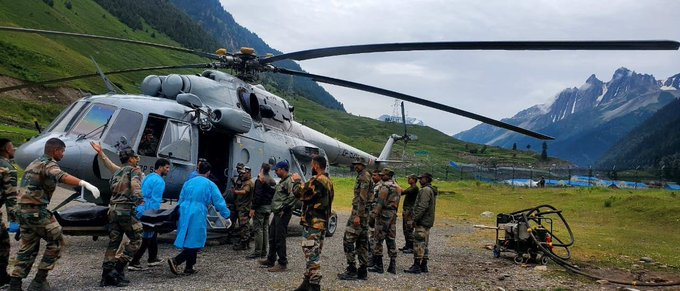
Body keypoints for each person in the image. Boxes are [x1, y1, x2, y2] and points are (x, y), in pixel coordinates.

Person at [9, 138, 100, 290]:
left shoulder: (34, 163)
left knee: (28, 246)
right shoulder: (49, 164)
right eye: (62, 151)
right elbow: (60, 176)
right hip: (37, 211)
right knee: (56, 241)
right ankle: (39, 281)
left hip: (23, 211)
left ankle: (15, 283)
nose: (63, 154)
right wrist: (84, 183)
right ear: (55, 150)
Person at [168, 161, 230, 275]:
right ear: (208, 172)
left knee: (189, 238)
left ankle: (189, 267)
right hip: (198, 211)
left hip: (184, 210)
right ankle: (176, 260)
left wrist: (178, 210)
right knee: (196, 239)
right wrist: (226, 215)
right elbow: (219, 201)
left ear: (198, 170)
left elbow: (181, 198)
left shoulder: (188, 182)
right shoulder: (209, 184)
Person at [100, 146, 144, 287]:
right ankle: (117, 271)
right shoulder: (134, 170)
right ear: (131, 159)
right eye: (136, 157)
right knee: (137, 238)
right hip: (125, 211)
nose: (137, 159)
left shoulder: (117, 172)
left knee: (114, 242)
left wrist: (101, 153)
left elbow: (109, 166)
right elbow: (135, 184)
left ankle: (105, 276)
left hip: (112, 211)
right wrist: (139, 198)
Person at [291, 155, 334, 291]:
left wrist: (296, 181)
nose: (311, 167)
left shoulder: (318, 180)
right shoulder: (328, 181)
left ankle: (315, 286)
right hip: (321, 224)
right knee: (312, 253)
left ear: (316, 165)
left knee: (312, 255)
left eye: (312, 164)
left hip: (313, 224)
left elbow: (300, 193)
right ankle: (306, 283)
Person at [128, 158, 171, 270]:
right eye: (167, 167)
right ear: (160, 167)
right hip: (148, 210)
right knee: (147, 236)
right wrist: (154, 216)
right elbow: (156, 201)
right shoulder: (160, 181)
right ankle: (134, 262)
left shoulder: (148, 177)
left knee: (152, 234)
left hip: (140, 207)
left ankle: (152, 258)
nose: (168, 170)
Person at [258, 161, 298, 272]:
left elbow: (293, 196)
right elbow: (276, 193)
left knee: (280, 238)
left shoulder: (289, 181)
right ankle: (271, 259)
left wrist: (284, 208)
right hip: (277, 212)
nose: (275, 171)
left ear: (283, 169)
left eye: (277, 169)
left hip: (283, 213)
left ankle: (282, 263)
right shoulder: (282, 181)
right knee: (272, 236)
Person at [338, 159, 373, 280]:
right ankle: (363, 271)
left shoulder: (363, 177)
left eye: (357, 165)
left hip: (359, 213)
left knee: (348, 240)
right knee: (362, 242)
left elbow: (362, 198)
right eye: (354, 165)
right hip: (364, 214)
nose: (355, 167)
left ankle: (352, 269)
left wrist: (358, 215)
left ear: (362, 165)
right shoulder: (365, 175)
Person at [369, 168, 401, 274]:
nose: (382, 176)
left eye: (384, 175)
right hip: (393, 214)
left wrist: (373, 216)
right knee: (391, 238)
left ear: (388, 176)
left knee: (378, 239)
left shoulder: (385, 186)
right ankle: (392, 264)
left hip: (383, 214)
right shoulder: (397, 187)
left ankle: (379, 266)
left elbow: (380, 203)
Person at [404, 172, 437, 274]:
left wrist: (415, 219)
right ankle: (424, 265)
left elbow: (422, 206)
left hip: (422, 221)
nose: (419, 180)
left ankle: (417, 265)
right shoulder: (430, 190)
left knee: (419, 242)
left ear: (426, 179)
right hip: (427, 220)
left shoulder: (425, 190)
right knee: (425, 243)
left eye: (421, 178)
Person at [247, 163, 276, 259]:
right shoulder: (271, 180)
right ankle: (264, 251)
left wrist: (253, 208)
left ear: (262, 169)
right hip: (268, 207)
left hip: (260, 207)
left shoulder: (260, 180)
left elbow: (258, 195)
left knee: (258, 229)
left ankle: (257, 251)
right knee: (265, 229)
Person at [0, 139, 18, 286]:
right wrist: (14, 219)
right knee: (3, 244)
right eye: (12, 147)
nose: (14, 150)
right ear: (6, 150)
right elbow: (10, 196)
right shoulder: (7, 168)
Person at [232, 166, 254, 251]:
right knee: (243, 225)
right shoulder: (245, 181)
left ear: (248, 173)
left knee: (244, 226)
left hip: (244, 208)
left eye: (244, 173)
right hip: (242, 207)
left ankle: (244, 243)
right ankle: (245, 242)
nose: (242, 175)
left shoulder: (248, 183)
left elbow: (245, 191)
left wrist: (236, 191)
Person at [399, 174, 419, 254]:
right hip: (407, 210)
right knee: (405, 229)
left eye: (409, 178)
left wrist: (397, 186)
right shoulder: (411, 188)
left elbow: (403, 192)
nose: (408, 180)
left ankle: (411, 247)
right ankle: (407, 245)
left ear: (414, 180)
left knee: (409, 228)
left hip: (410, 211)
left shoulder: (414, 188)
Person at [367, 169, 381, 268]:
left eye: (375, 175)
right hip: (372, 212)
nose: (373, 177)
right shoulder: (375, 185)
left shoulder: (379, 186)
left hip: (375, 214)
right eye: (373, 175)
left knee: (372, 235)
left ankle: (372, 257)